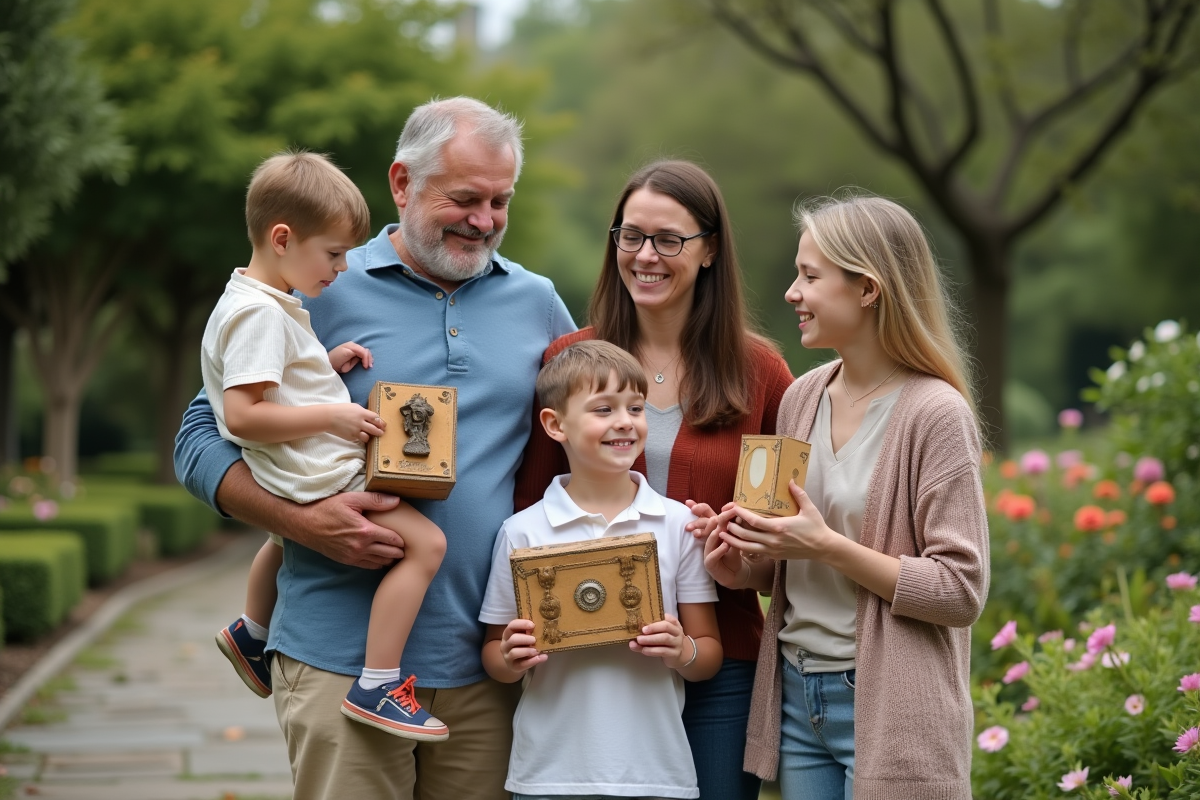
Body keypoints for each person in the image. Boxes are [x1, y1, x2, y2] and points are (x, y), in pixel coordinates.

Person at [175, 98, 576, 800]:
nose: (484, 220)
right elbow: (201, 435)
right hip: (335, 660)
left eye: (499, 201)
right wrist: (297, 522)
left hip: (488, 668)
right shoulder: (316, 280)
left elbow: (585, 442)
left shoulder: (538, 303)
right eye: (464, 198)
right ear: (402, 182)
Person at [515, 160, 792, 799]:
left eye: (669, 239)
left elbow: (783, 546)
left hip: (723, 660)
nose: (646, 255)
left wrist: (738, 559)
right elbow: (531, 506)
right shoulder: (569, 361)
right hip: (597, 666)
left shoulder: (762, 373)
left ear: (711, 249)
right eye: (631, 236)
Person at [702, 194, 990, 800]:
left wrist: (828, 547)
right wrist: (740, 562)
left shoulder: (935, 414)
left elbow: (960, 591)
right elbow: (781, 563)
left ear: (867, 289)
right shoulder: (802, 396)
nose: (791, 292)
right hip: (797, 692)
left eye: (810, 276)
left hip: (890, 705)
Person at [206, 151, 449, 741]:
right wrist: (336, 415)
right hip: (318, 470)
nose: (343, 269)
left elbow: (273, 380)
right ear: (283, 238)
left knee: (280, 536)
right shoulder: (259, 314)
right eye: (334, 253)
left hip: (292, 470)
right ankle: (378, 684)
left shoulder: (264, 303)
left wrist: (324, 362)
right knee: (427, 545)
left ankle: (250, 631)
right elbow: (242, 414)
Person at [482, 340, 722, 799]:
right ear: (555, 425)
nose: (625, 422)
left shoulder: (677, 523)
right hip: (548, 774)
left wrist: (681, 650)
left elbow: (707, 654)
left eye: (636, 407)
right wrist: (511, 659)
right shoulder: (522, 532)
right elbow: (494, 654)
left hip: (656, 774)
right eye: (603, 409)